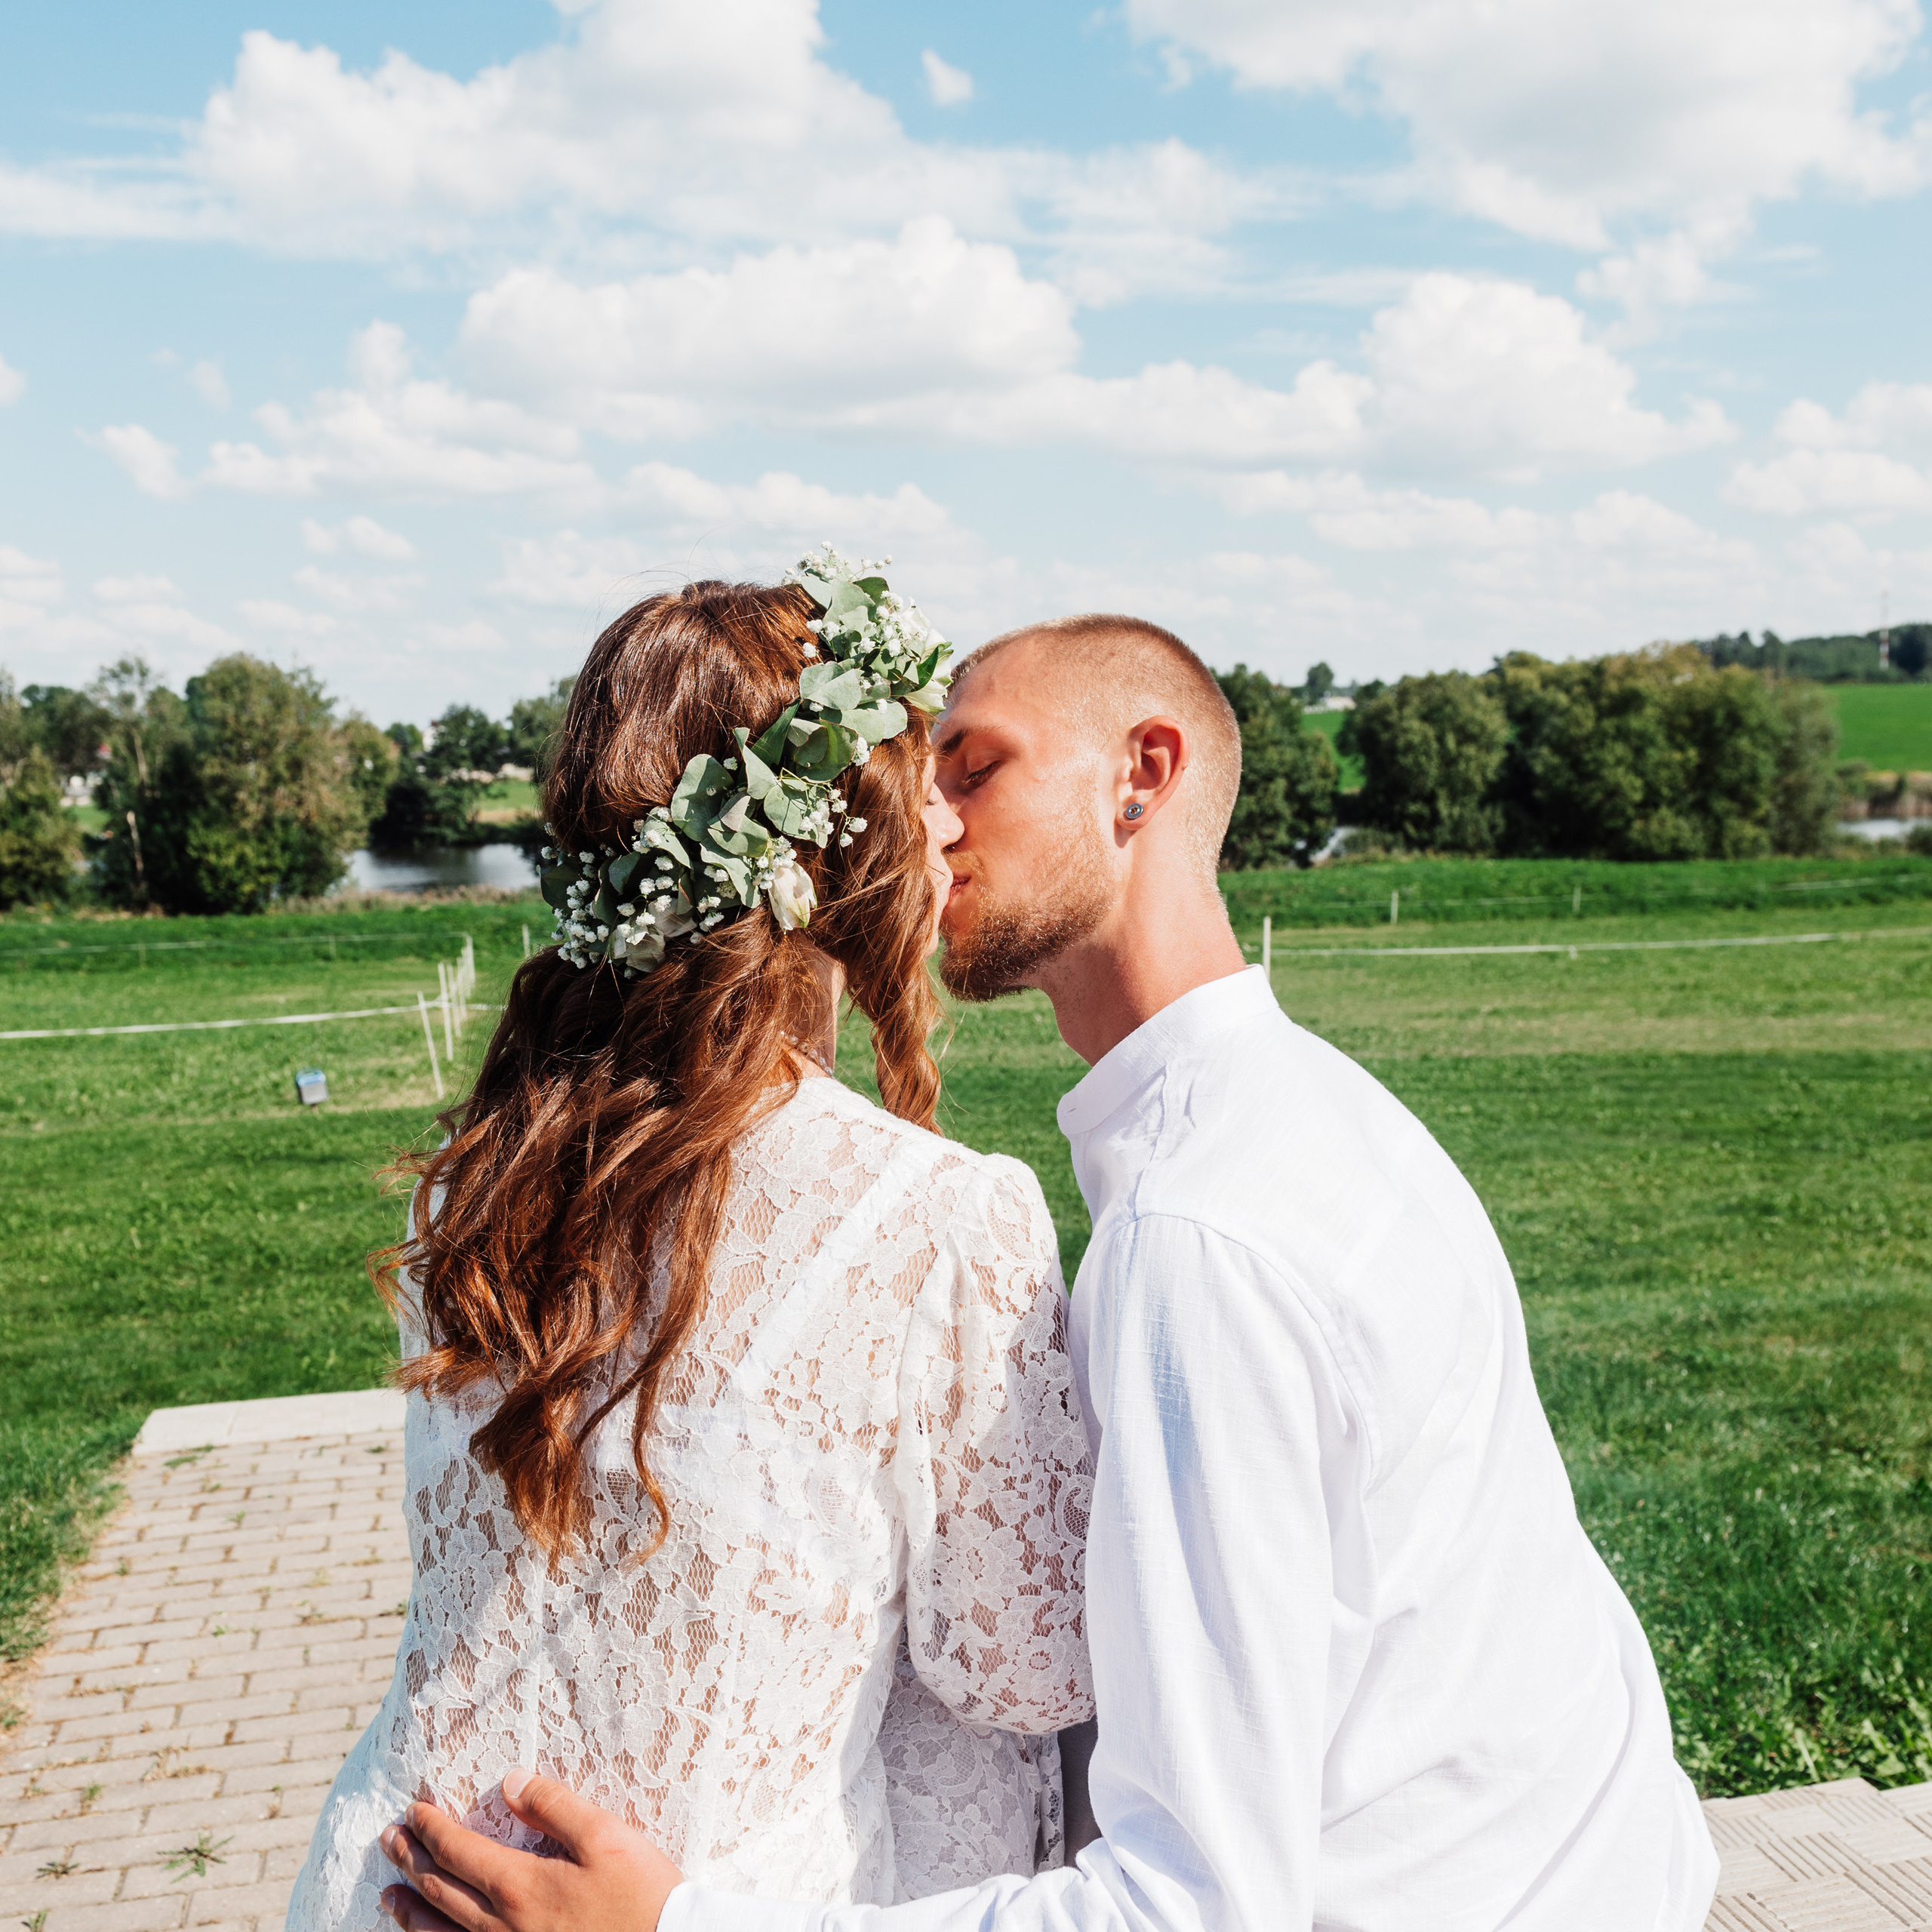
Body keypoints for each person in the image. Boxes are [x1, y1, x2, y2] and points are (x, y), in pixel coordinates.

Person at [376, 614, 1721, 1932]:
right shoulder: (1318, 1117)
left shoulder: (1201, 1242)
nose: (929, 828)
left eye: (975, 768)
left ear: (1143, 775)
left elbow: (1195, 1904)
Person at [288, 560, 1096, 1932]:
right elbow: (1019, 1670)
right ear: (840, 839)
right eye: (916, 782)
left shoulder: (473, 1182)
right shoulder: (943, 1219)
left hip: (400, 1873)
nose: (947, 831)